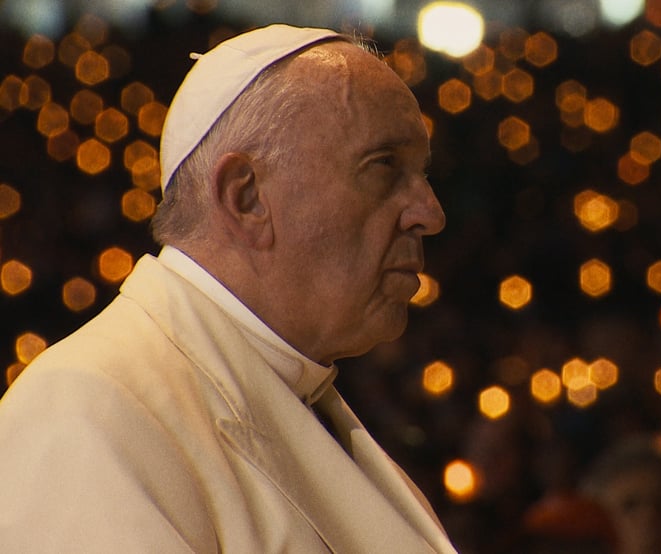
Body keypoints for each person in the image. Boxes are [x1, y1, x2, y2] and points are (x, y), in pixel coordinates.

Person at [0, 24, 455, 553]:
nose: (430, 213)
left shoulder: (304, 389)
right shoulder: (86, 411)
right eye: (384, 167)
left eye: (422, 174)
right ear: (246, 198)